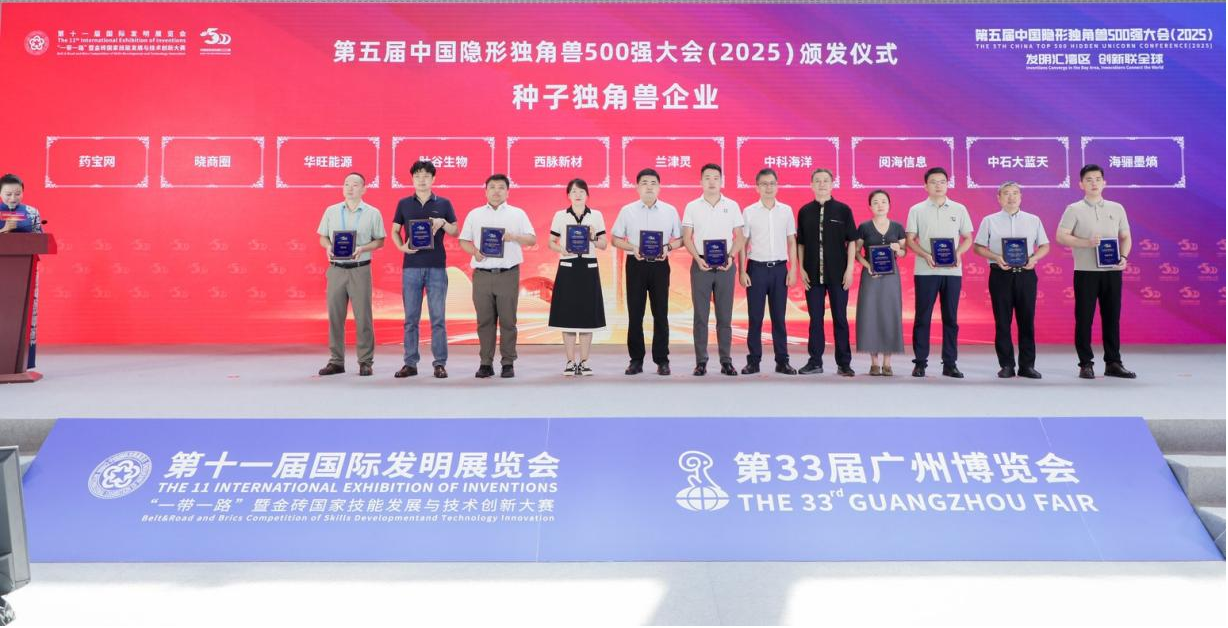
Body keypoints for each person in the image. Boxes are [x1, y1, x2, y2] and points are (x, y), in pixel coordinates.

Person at [1056, 164, 1136, 380]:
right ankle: (1085, 363)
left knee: (1112, 317)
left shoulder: (1117, 208)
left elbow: (1126, 236)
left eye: (1098, 179)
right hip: (1085, 272)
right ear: (1081, 184)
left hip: (1112, 270)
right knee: (1084, 318)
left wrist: (1124, 257)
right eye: (1089, 180)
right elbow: (1061, 236)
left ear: (1104, 183)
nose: (1094, 183)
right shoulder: (1073, 209)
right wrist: (1086, 242)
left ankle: (1113, 362)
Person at [459, 174, 536, 379]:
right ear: (485, 191)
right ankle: (486, 363)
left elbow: (531, 239)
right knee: (484, 321)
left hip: (507, 274)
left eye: (501, 187)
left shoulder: (517, 214)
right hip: (482, 275)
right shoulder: (475, 214)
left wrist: (514, 237)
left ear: (507, 192)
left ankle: (508, 362)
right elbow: (464, 241)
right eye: (492, 187)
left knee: (508, 321)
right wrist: (474, 252)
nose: (496, 191)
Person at [973, 181, 1050, 379]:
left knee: (1027, 321)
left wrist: (1034, 258)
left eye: (1015, 193)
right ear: (999, 198)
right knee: (1002, 322)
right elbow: (978, 247)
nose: (1011, 197)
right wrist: (996, 257)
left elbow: (1044, 245)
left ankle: (1027, 366)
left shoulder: (1033, 220)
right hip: (1000, 275)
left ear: (1021, 197)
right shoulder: (989, 220)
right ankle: (1006, 365)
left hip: (1026, 275)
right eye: (1006, 193)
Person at [611, 168, 681, 376]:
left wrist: (668, 247)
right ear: (637, 187)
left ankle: (662, 360)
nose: (649, 187)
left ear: (659, 187)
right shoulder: (627, 211)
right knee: (635, 314)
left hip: (660, 265)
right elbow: (615, 239)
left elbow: (680, 239)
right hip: (636, 265)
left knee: (661, 313)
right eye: (644, 183)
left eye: (653, 183)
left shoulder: (670, 211)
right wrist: (632, 248)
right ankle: (636, 360)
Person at [391, 160, 458, 379]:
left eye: (426, 176)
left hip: (436, 266)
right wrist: (401, 247)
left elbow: (455, 231)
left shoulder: (444, 203)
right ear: (412, 179)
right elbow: (394, 230)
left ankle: (439, 363)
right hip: (411, 267)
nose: (422, 179)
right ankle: (410, 363)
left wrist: (442, 222)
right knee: (411, 319)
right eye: (418, 176)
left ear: (433, 179)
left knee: (438, 318)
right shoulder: (403, 203)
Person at [905, 167, 973, 378]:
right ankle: (920, 363)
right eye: (933, 182)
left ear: (947, 184)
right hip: (926, 271)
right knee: (922, 317)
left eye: (942, 181)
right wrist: (926, 255)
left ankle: (950, 363)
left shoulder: (959, 209)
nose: (938, 185)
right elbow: (910, 240)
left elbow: (968, 238)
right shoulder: (916, 209)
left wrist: (958, 253)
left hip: (952, 272)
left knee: (951, 318)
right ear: (925, 186)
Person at [316, 172, 386, 376]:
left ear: (364, 189)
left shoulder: (373, 213)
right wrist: (328, 246)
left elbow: (380, 241)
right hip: (336, 269)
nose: (350, 188)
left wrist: (362, 248)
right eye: (346, 184)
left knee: (363, 317)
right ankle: (336, 361)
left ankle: (365, 361)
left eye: (355, 184)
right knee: (335, 316)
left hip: (360, 269)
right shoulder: (331, 211)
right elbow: (322, 237)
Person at [681, 164, 744, 376]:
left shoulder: (732, 206)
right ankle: (701, 361)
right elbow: (687, 238)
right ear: (700, 181)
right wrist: (697, 259)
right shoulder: (692, 206)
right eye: (707, 177)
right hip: (701, 266)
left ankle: (726, 361)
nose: (711, 181)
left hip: (726, 266)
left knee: (725, 316)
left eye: (716, 178)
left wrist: (731, 257)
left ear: (721, 181)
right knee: (701, 316)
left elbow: (739, 237)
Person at [796, 168, 858, 376]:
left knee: (840, 318)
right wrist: (801, 268)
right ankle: (815, 362)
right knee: (815, 319)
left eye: (825, 180)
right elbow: (801, 243)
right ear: (811, 185)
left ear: (832, 184)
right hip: (812, 274)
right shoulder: (805, 211)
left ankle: (844, 363)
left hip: (838, 274)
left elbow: (852, 241)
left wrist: (850, 270)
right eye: (817, 181)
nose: (821, 184)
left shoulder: (843, 210)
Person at [739, 168, 798, 375]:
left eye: (772, 183)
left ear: (777, 186)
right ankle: (753, 361)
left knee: (779, 319)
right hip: (756, 269)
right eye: (764, 184)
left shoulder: (786, 211)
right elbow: (743, 243)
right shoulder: (749, 211)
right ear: (757, 187)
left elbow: (791, 241)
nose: (768, 187)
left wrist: (793, 269)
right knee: (755, 318)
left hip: (780, 270)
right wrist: (742, 271)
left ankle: (782, 361)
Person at [547, 178, 608, 376]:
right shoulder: (560, 215)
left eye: (581, 191)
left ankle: (584, 361)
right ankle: (569, 361)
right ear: (568, 195)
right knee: (568, 316)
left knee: (587, 317)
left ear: (587, 195)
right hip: (568, 267)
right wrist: (561, 250)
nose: (578, 194)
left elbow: (603, 244)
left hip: (589, 268)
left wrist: (592, 237)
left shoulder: (596, 215)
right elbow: (551, 242)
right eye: (574, 191)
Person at [853, 190, 907, 376]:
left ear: (889, 205)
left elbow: (904, 252)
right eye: (875, 202)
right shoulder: (864, 227)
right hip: (871, 276)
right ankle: (874, 362)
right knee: (870, 314)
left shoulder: (897, 227)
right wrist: (868, 266)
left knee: (890, 314)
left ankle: (887, 362)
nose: (880, 205)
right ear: (870, 206)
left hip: (891, 277)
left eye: (883, 201)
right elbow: (856, 252)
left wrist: (898, 249)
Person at [0, 173, 45, 368]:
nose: (13, 198)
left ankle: (21, 363)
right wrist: (4, 230)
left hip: (25, 270)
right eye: (8, 194)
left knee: (25, 313)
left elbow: (40, 238)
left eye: (17, 193)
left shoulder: (32, 212)